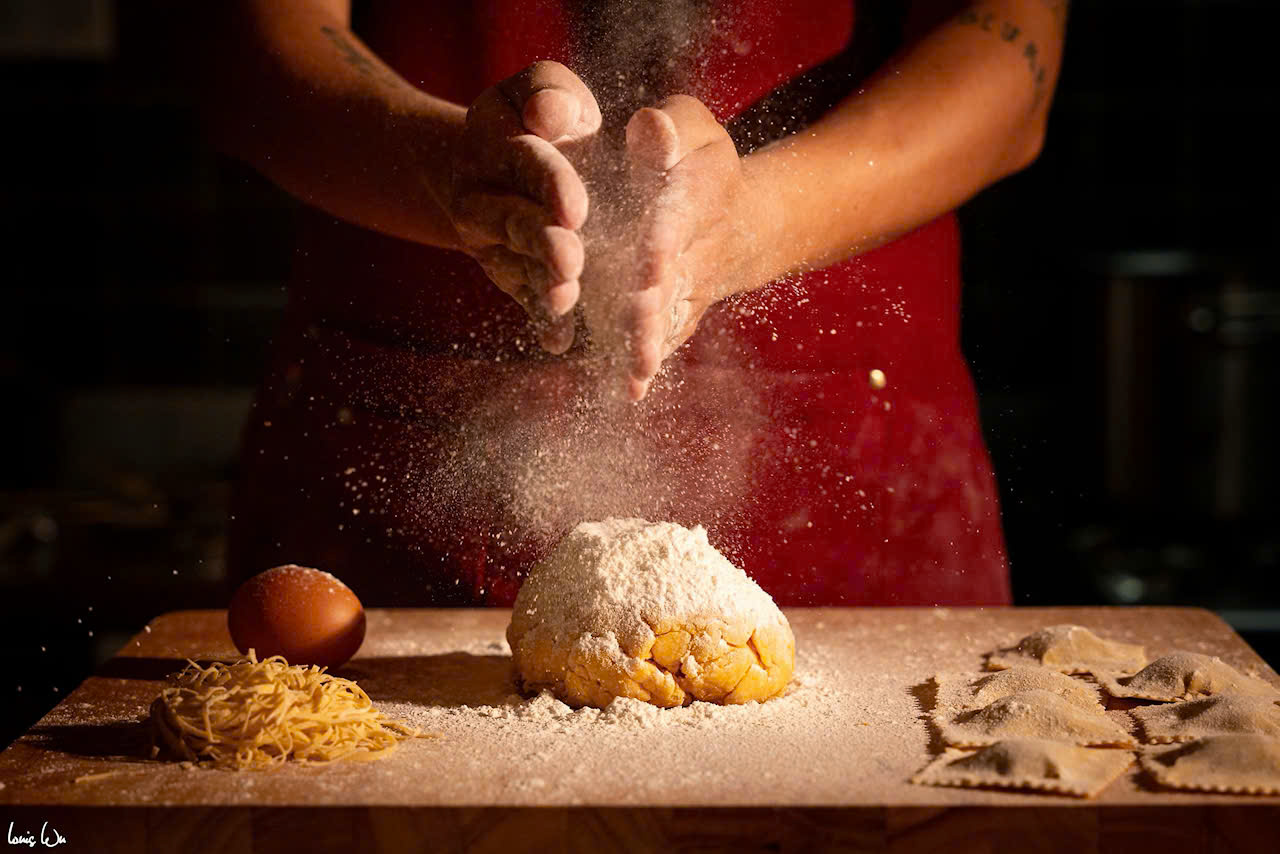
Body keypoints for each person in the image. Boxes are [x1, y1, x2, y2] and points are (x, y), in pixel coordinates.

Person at [201, 0, 1066, 607]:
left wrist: (750, 223)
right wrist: (445, 171)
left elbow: (1010, 56)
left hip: (853, 447)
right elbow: (240, 55)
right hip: (391, 442)